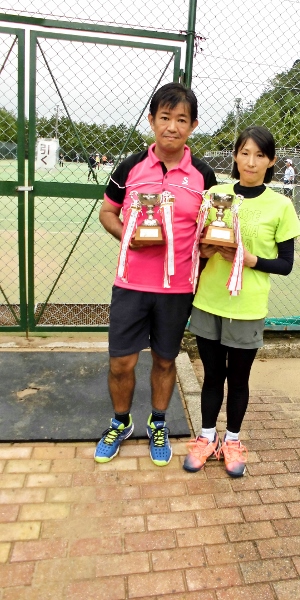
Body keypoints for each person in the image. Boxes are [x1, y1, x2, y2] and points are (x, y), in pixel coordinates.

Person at [94, 82, 216, 466]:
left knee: (165, 361)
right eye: (165, 117)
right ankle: (120, 422)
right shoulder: (129, 168)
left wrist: (211, 248)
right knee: (122, 363)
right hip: (130, 284)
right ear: (152, 120)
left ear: (193, 126)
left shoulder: (204, 176)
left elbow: (211, 228)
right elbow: (107, 213)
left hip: (177, 289)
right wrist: (128, 236)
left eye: (181, 119)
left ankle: (158, 423)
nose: (172, 127)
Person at [183, 126, 300, 478]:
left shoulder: (281, 205)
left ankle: (232, 441)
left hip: (247, 307)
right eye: (245, 153)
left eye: (260, 155)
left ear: (271, 161)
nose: (251, 162)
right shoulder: (215, 195)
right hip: (209, 301)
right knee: (211, 376)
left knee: (238, 379)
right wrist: (204, 251)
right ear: (235, 156)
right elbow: (197, 245)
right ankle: (207, 438)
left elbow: (286, 264)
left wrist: (251, 260)